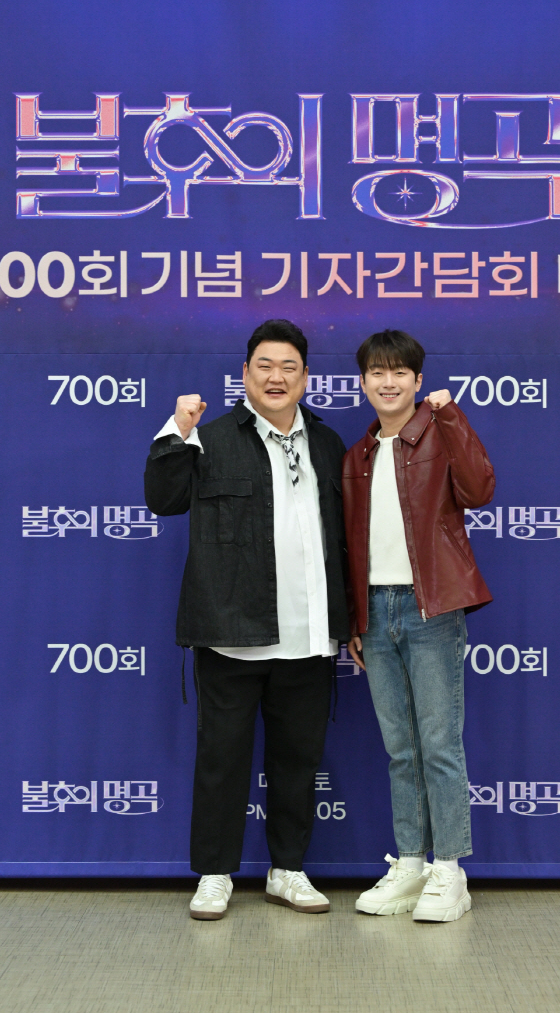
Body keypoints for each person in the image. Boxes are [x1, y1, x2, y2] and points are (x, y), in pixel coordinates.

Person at [144, 319, 350, 920]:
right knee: (222, 761)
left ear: (305, 377)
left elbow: (346, 537)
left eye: (289, 367)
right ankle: (215, 875)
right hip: (230, 632)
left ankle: (288, 870)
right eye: (265, 365)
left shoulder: (328, 442)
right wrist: (177, 432)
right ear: (245, 374)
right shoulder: (208, 437)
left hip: (309, 634)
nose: (276, 377)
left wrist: (347, 622)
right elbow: (163, 499)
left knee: (298, 761)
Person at [342, 330, 495, 922]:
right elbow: (350, 546)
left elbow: (479, 489)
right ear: (362, 382)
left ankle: (449, 870)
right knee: (400, 750)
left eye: (400, 372)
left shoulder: (438, 432)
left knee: (439, 745)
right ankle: (410, 864)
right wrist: (356, 619)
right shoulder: (356, 456)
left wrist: (451, 416)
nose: (389, 382)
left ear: (418, 380)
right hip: (375, 612)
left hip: (431, 608)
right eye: (378, 373)